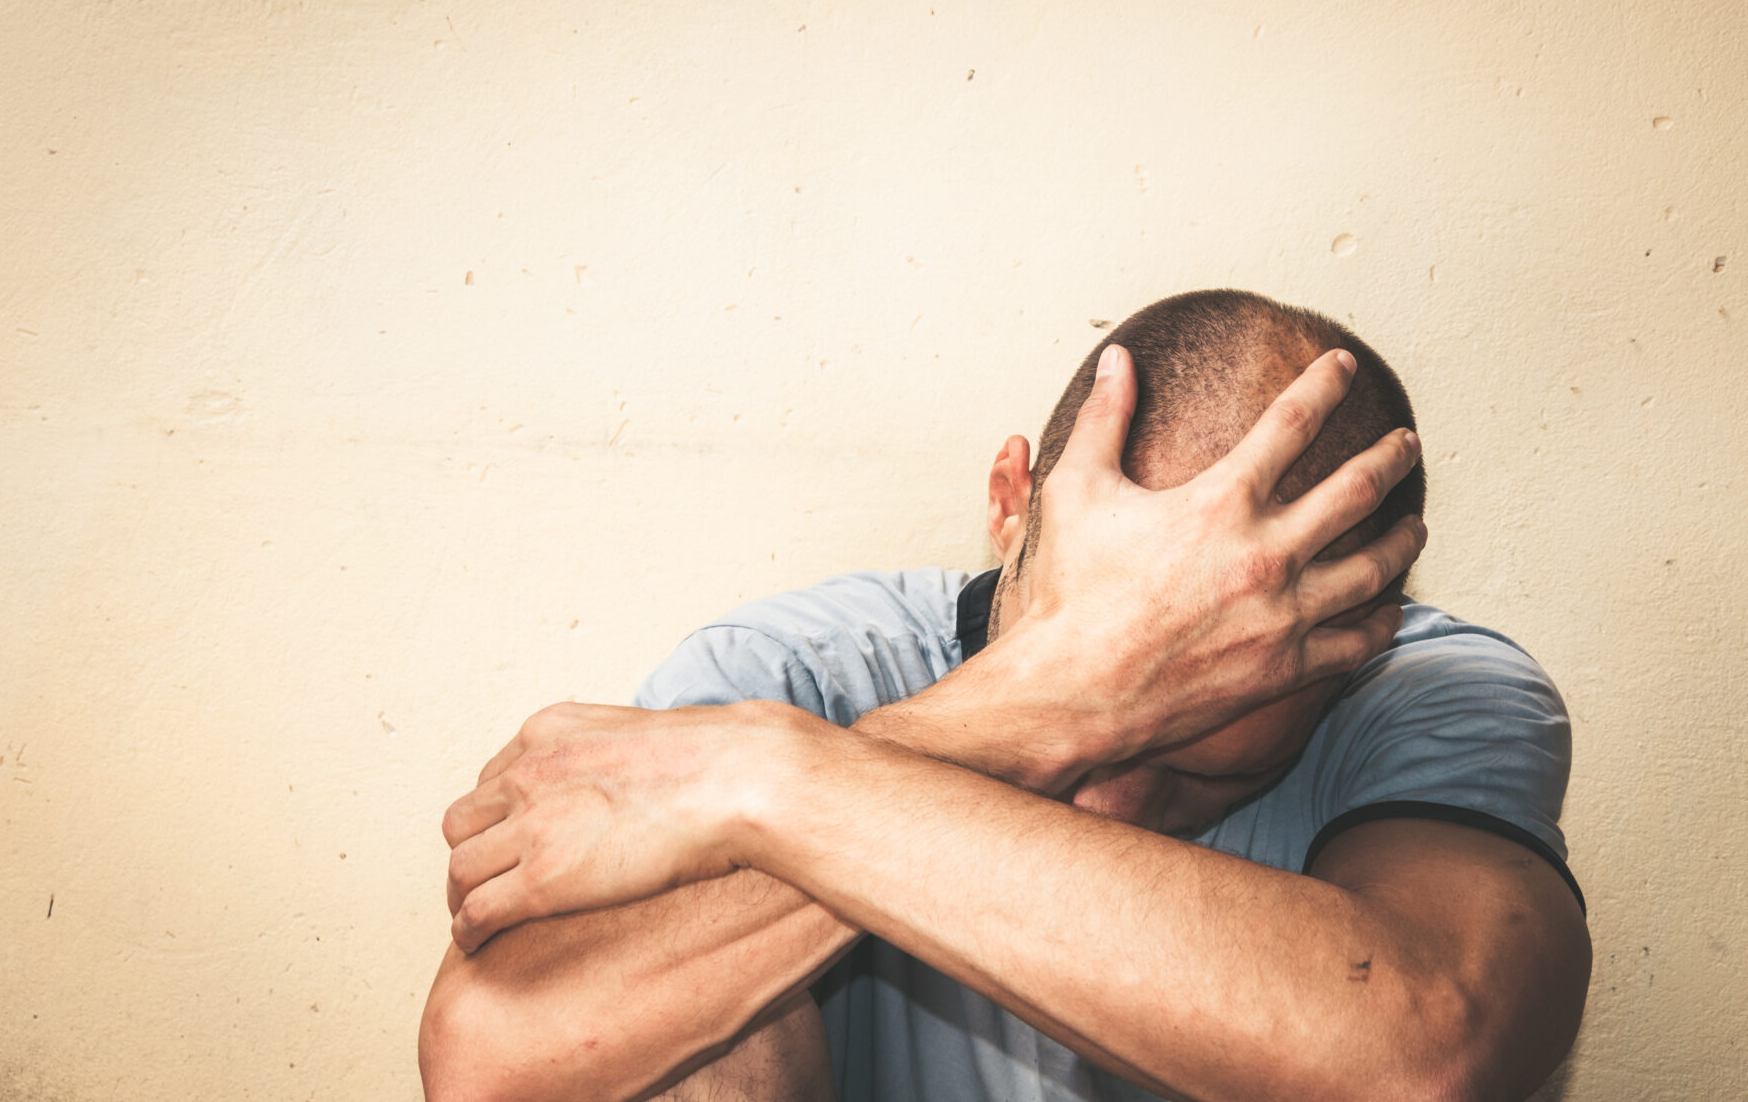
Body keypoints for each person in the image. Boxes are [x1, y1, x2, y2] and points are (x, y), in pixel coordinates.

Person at [418, 290, 1590, 1102]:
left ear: (1355, 639)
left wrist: (772, 779)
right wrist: (1025, 714)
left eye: (1204, 757)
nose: (1115, 797)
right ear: (1009, 500)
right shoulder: (799, 672)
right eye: (1108, 659)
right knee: (681, 1025)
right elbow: (494, 1056)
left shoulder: (1431, 689)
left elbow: (1422, 1059)